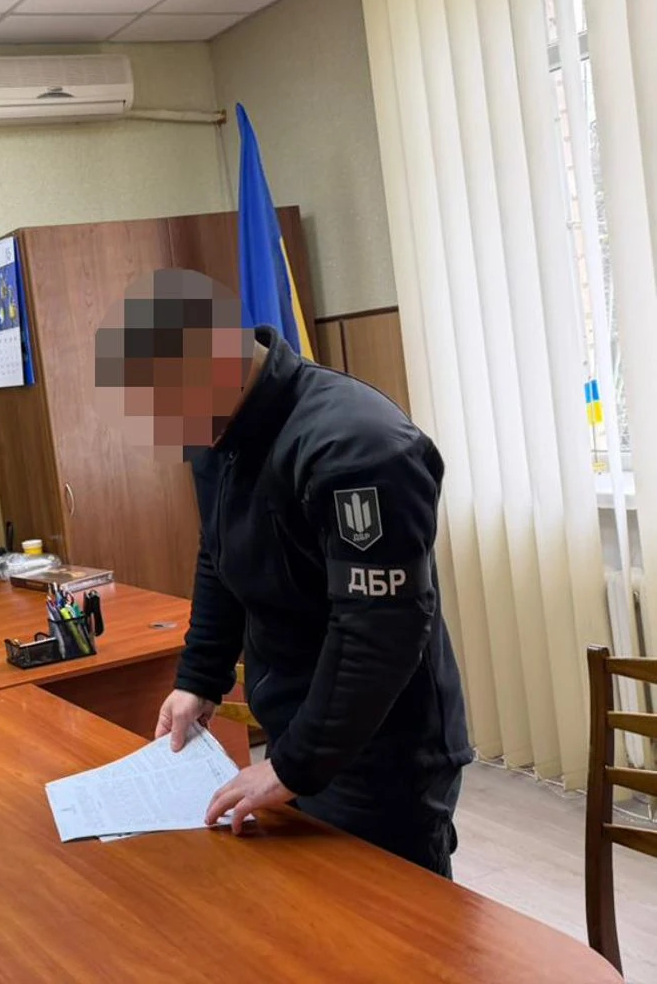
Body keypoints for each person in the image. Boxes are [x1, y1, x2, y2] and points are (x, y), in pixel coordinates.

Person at [96, 269, 471, 877]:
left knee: (388, 923)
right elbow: (218, 554)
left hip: (379, 749)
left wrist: (292, 766)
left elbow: (378, 634)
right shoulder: (216, 428)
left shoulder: (358, 445)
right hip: (297, 728)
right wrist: (199, 680)